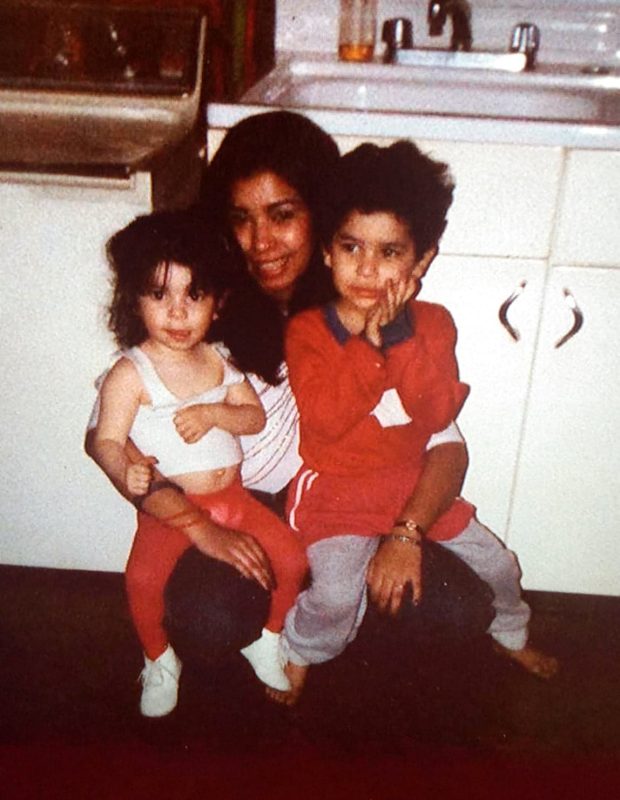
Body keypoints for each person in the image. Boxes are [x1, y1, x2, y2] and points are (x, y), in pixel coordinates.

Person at [85, 111, 479, 681]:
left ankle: (324, 615)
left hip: (360, 506)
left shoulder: (366, 306)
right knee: (206, 621)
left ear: (321, 219)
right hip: (240, 508)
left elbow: (446, 446)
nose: (261, 242)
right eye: (241, 218)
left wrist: (406, 534)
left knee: (460, 612)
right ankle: (314, 616)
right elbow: (102, 435)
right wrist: (196, 524)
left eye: (283, 215)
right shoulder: (200, 310)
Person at [278, 141, 558, 704]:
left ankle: (510, 633)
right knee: (335, 594)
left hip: (412, 486)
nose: (367, 267)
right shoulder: (309, 330)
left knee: (500, 565)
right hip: (337, 492)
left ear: (420, 262)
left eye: (389, 252)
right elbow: (327, 421)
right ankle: (302, 648)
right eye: (351, 246)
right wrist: (369, 346)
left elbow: (435, 414)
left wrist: (399, 338)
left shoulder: (432, 324)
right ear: (327, 253)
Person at [89, 210, 307, 717]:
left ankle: (269, 638)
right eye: (159, 295)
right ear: (134, 300)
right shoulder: (131, 371)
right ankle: (159, 659)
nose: (178, 312)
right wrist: (127, 470)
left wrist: (214, 412)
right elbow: (105, 439)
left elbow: (252, 419)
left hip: (234, 499)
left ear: (217, 304)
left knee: (292, 560)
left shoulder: (217, 360)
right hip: (173, 508)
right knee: (142, 581)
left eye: (194, 295)